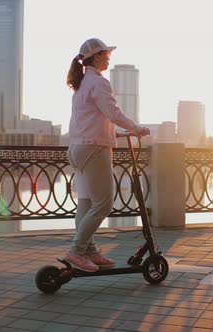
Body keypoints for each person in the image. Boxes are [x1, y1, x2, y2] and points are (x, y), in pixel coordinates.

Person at [65, 38, 150, 272]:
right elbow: (112, 112)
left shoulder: (82, 84)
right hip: (94, 149)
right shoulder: (98, 83)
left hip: (77, 148)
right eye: (106, 53)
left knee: (86, 202)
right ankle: (77, 250)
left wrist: (117, 133)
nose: (109, 57)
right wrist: (136, 128)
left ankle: (89, 251)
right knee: (103, 204)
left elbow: (95, 118)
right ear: (96, 57)